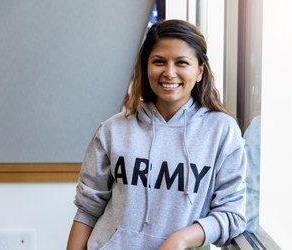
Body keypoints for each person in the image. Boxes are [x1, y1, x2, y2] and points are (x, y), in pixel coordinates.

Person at [67, 19, 247, 250]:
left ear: (199, 71)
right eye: (159, 62)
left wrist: (179, 239)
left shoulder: (222, 131)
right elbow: (87, 209)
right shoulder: (113, 130)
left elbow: (232, 215)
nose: (169, 73)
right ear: (146, 67)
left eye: (182, 62)